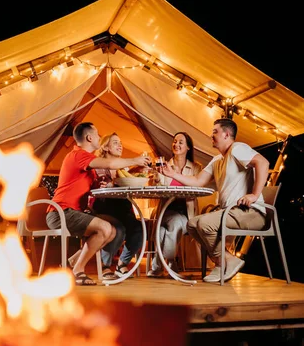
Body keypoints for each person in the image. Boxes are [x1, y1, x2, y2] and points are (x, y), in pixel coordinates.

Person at [160, 118, 270, 283]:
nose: (211, 135)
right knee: (192, 224)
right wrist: (173, 175)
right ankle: (223, 261)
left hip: (251, 212)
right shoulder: (217, 159)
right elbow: (198, 181)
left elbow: (263, 162)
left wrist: (254, 195)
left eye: (215, 132)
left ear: (226, 135)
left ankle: (226, 261)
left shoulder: (237, 148)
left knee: (204, 224)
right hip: (230, 212)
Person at [46, 122, 151, 286]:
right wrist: (135, 159)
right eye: (97, 134)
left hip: (73, 212)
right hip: (61, 212)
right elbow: (110, 164)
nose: (99, 138)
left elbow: (90, 184)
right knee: (105, 228)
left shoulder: (87, 162)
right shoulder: (78, 155)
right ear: (89, 138)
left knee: (113, 230)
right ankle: (78, 270)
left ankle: (72, 262)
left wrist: (100, 184)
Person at [147, 132, 203, 278]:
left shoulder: (196, 168)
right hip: (165, 210)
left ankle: (160, 265)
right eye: (175, 141)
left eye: (181, 142)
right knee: (164, 226)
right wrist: (156, 177)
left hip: (186, 213)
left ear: (188, 147)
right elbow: (155, 188)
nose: (176, 144)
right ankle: (171, 263)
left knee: (171, 226)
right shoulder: (164, 165)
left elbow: (197, 189)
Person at [90, 132, 144, 280]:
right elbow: (96, 189)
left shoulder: (124, 169)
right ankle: (105, 266)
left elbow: (126, 180)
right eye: (115, 142)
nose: (120, 145)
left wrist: (136, 173)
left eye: (120, 142)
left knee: (139, 229)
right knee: (118, 229)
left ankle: (122, 264)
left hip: (123, 209)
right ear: (106, 147)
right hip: (104, 208)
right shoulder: (98, 165)